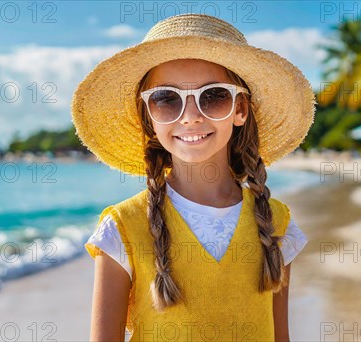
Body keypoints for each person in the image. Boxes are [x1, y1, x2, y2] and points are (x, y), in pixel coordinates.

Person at [72, 13, 316, 341]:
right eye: (166, 99)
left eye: (213, 96)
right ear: (148, 116)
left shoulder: (277, 225)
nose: (190, 117)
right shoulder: (122, 230)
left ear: (241, 109)